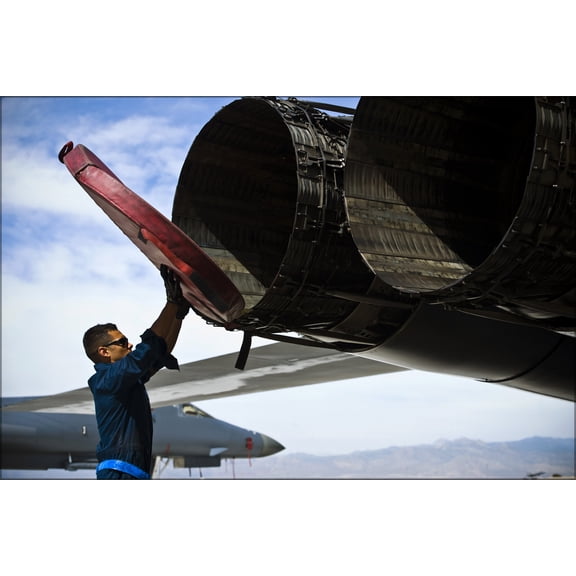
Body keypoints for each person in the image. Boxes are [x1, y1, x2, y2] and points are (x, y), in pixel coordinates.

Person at [82, 265, 190, 479]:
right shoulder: (107, 381)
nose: (129, 344)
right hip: (119, 475)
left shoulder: (125, 381)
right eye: (122, 342)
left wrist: (178, 315)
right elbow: (145, 351)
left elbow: (158, 352)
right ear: (104, 352)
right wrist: (171, 302)